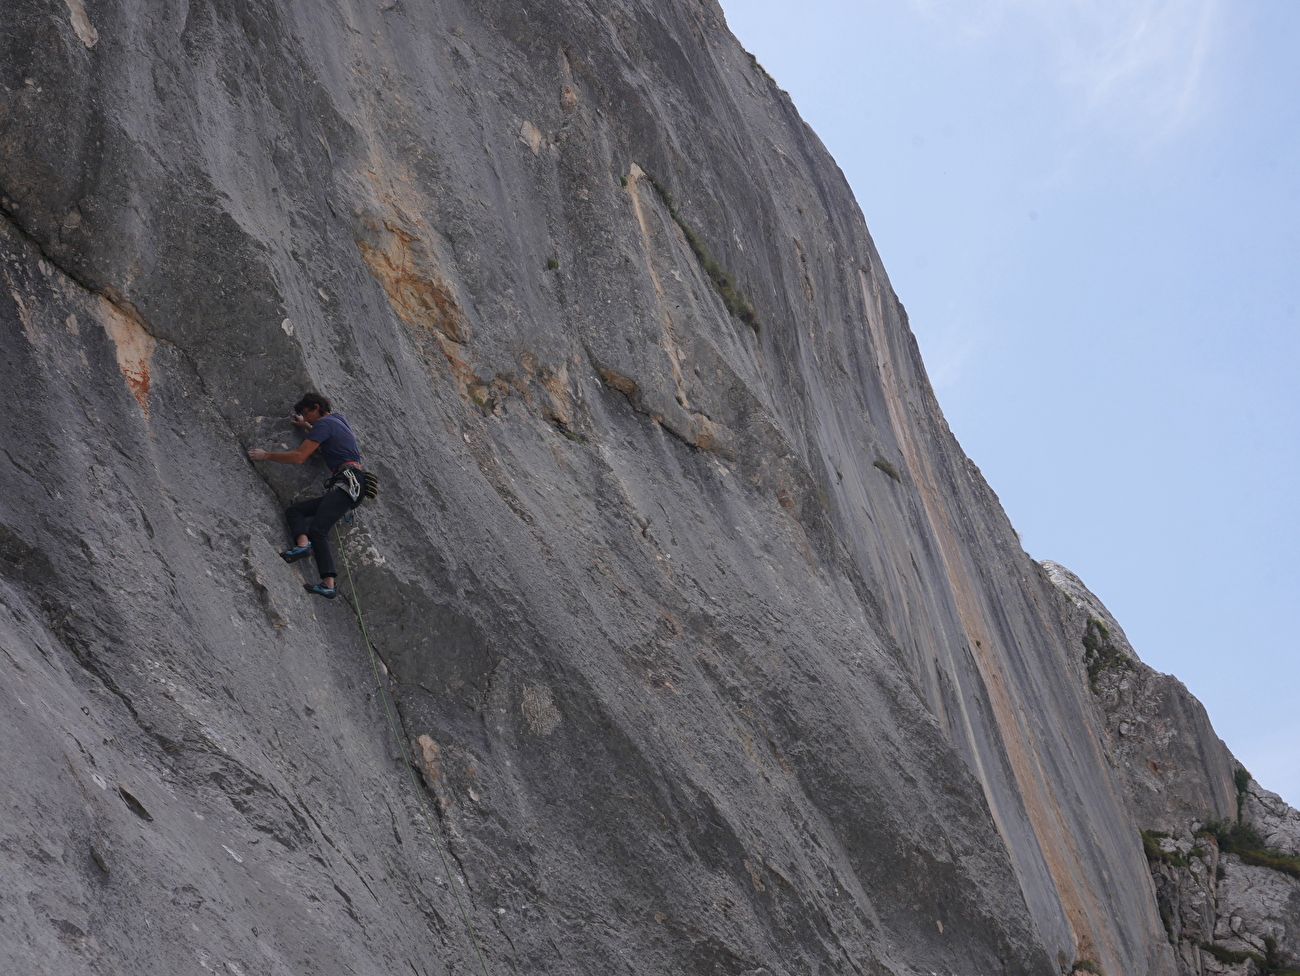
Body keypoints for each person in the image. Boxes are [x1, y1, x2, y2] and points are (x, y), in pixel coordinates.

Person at [247, 392, 365, 599]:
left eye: (306, 413)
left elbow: (300, 457)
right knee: (296, 511)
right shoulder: (338, 419)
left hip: (347, 482)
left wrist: (267, 455)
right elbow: (332, 435)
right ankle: (303, 546)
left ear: (316, 407)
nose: (305, 417)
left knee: (319, 530)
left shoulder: (324, 424)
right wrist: (308, 427)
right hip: (353, 483)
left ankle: (328, 584)